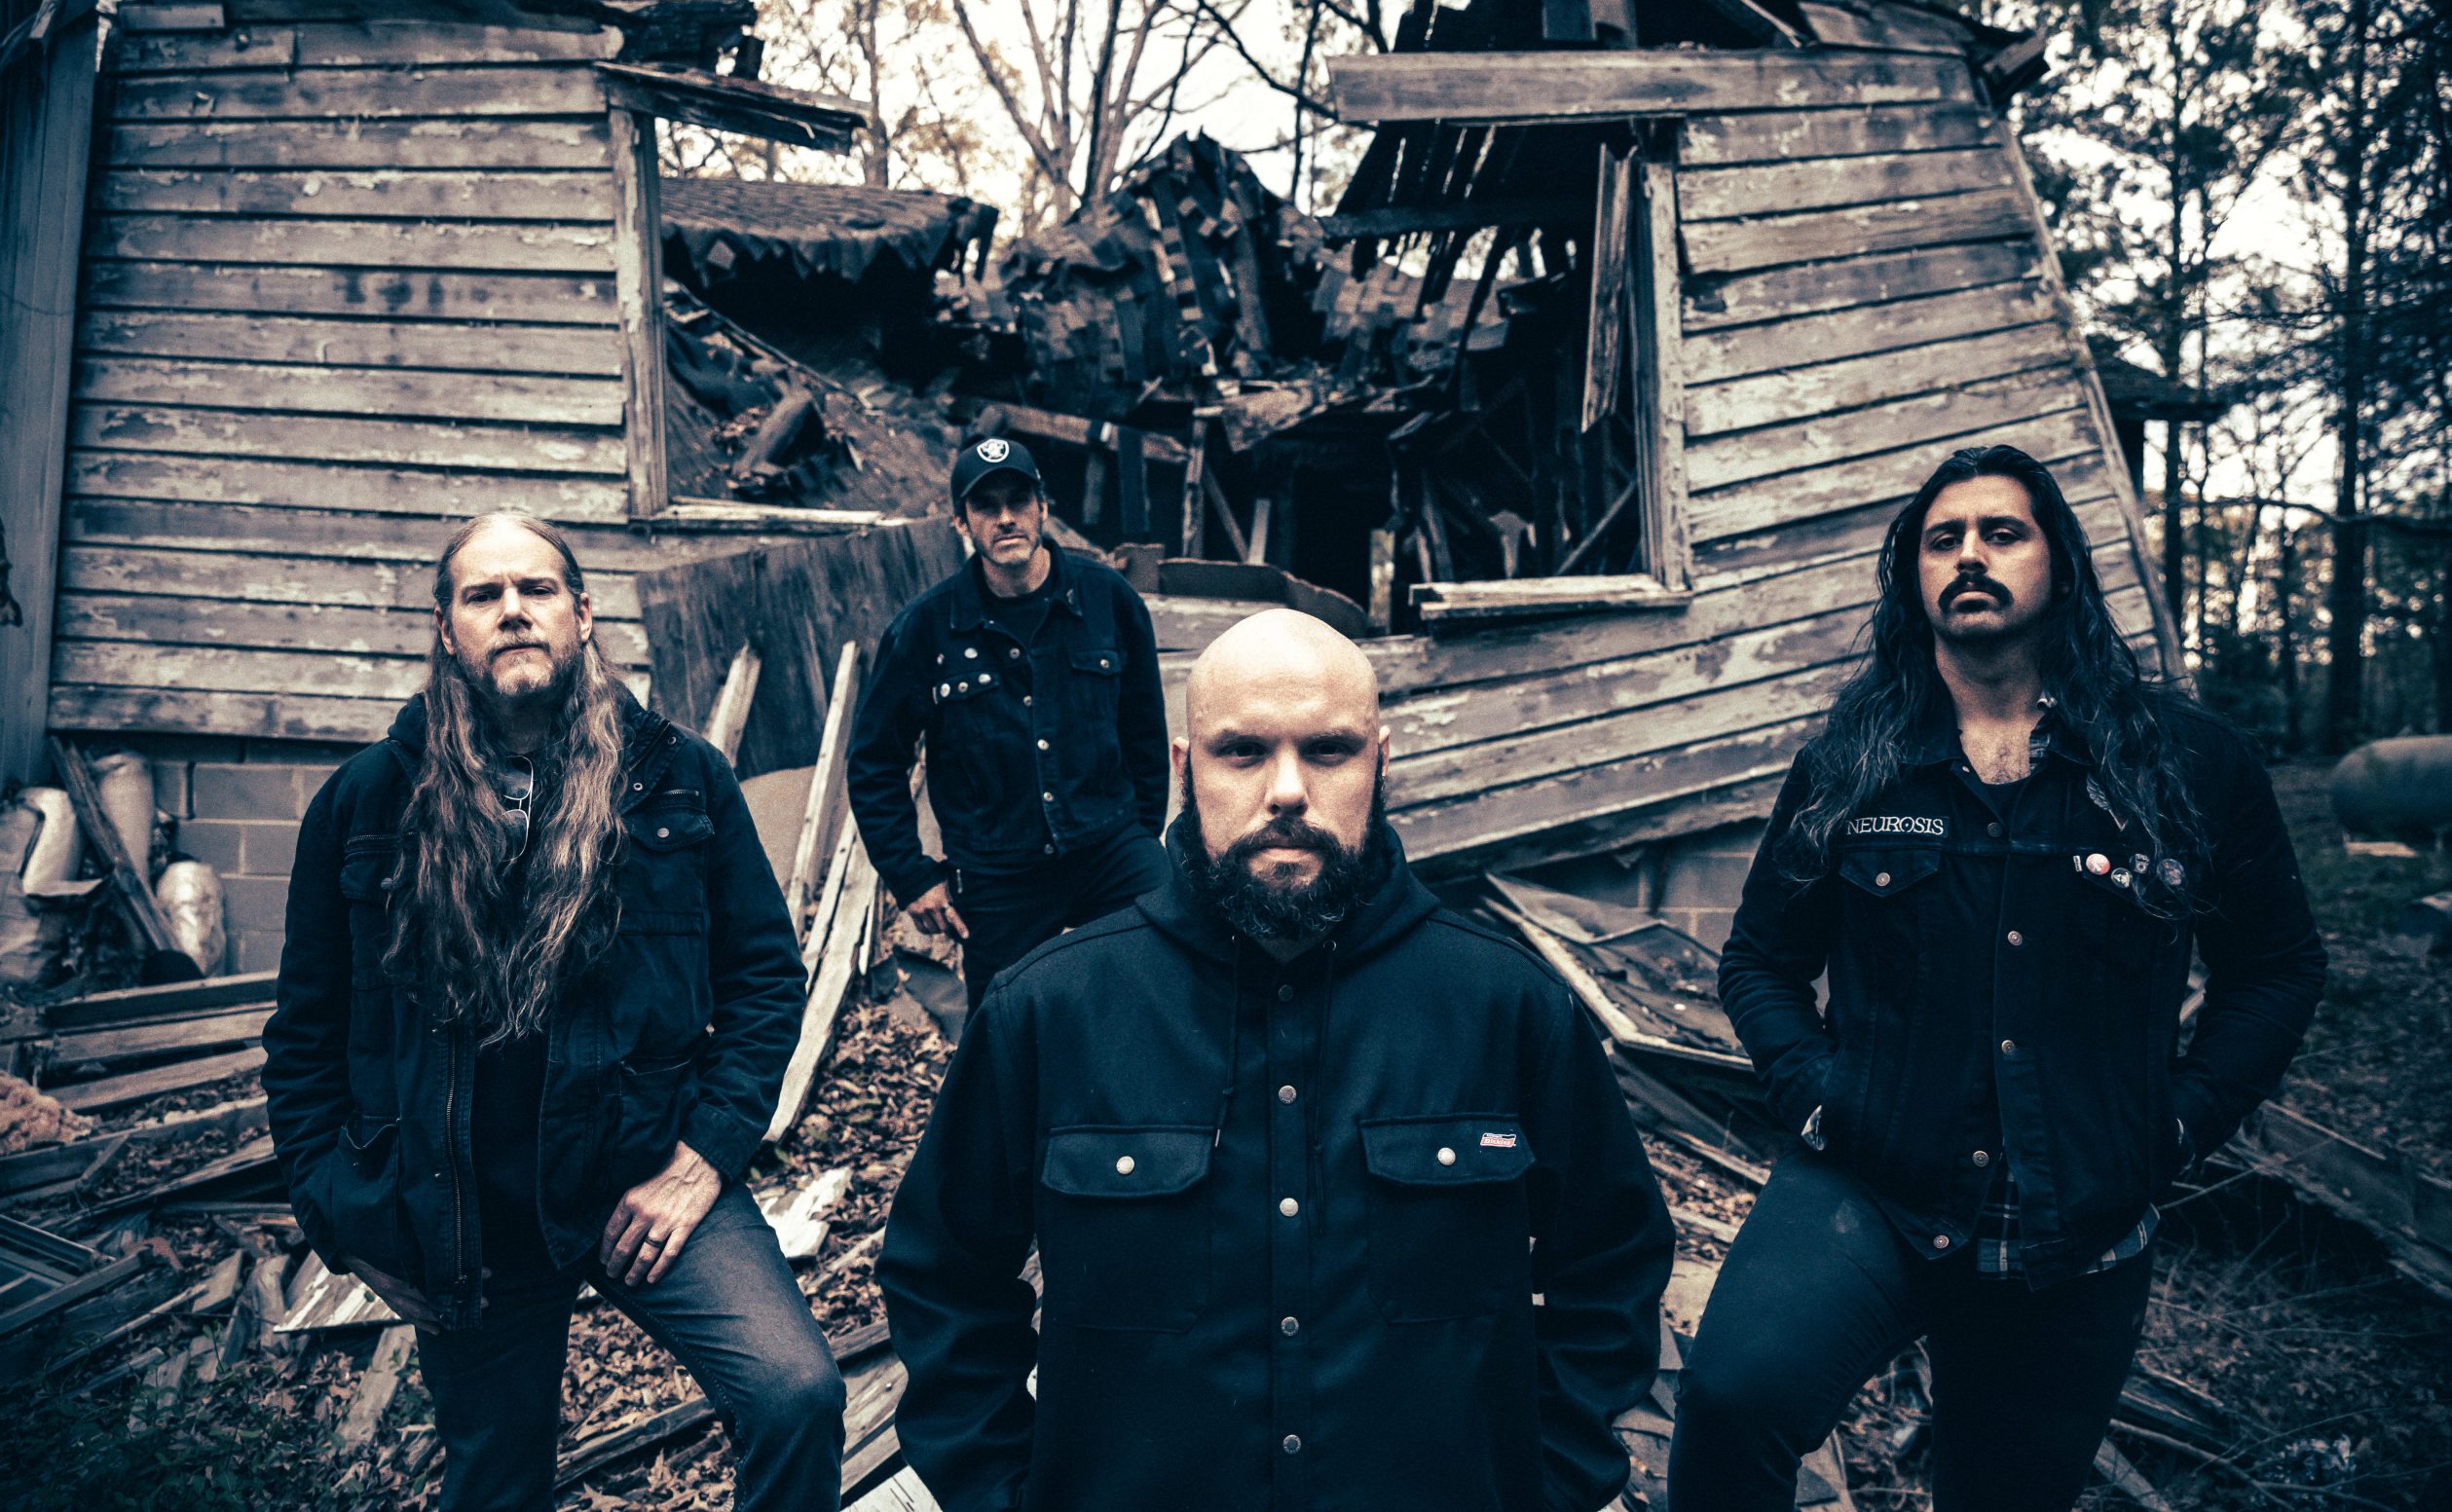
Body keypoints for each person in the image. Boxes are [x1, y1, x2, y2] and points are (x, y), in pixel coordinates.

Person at [875, 608, 1677, 1512]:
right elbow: (944, 1276)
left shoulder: (1507, 1007)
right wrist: (1004, 1494)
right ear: (1185, 768)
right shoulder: (1048, 1012)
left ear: (1381, 763)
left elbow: (1611, 1262)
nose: (1287, 790)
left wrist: (1546, 1483)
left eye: (1328, 750)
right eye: (1244, 751)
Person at [1671, 446, 2327, 1512]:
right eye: (1943, 540)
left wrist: (2178, 1123)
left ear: (2059, 565)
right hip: (1872, 1181)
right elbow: (1759, 960)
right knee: (1729, 1400)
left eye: (2002, 533)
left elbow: (2279, 968)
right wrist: (1818, 1094)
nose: (1969, 555)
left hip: (2081, 1217)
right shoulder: (1853, 761)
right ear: (1914, 578)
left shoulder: (2186, 763)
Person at [261, 512, 845, 1512]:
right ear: (445, 629)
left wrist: (701, 1161)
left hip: (644, 1170)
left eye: (535, 589)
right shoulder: (366, 803)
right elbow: (303, 1038)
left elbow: (763, 982)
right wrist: (345, 1220)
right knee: (497, 1482)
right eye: (482, 595)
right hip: (467, 1213)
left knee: (796, 1392)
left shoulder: (679, 778)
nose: (513, 611)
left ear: (582, 612)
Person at [847, 435, 1170, 1015]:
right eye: (986, 505)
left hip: (1108, 848)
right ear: (961, 522)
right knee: (1003, 1030)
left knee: (1166, 981)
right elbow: (874, 762)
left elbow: (1145, 732)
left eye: (1018, 500)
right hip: (999, 871)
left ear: (1043, 506)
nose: (1005, 518)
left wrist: (1144, 838)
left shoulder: (1108, 600)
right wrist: (912, 876)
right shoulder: (926, 630)